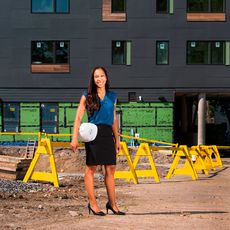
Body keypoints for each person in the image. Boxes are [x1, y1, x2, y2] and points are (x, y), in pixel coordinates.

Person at [70, 66, 125, 216]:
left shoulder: (112, 96)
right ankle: (93, 204)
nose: (99, 79)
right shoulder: (87, 95)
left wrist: (117, 140)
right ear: (93, 80)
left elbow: (113, 118)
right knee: (91, 169)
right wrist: (74, 138)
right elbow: (78, 117)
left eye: (101, 76)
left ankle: (112, 204)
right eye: (96, 77)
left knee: (111, 168)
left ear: (106, 78)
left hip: (107, 133)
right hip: (93, 133)